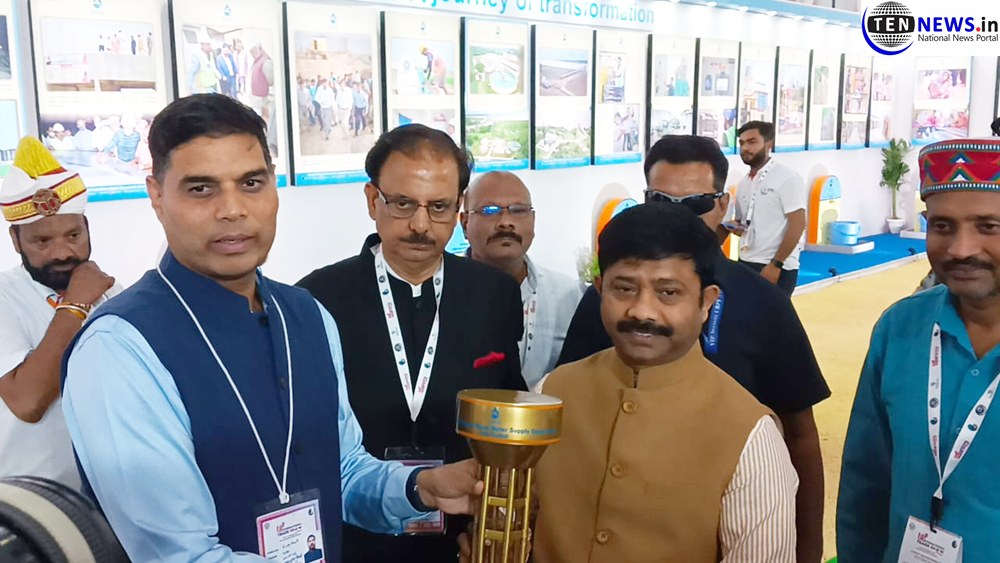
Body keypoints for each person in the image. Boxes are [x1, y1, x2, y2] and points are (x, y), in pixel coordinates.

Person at [61, 95, 483, 562]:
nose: (232, 210)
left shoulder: (307, 315)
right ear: (157, 196)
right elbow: (179, 555)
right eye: (201, 189)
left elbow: (343, 471)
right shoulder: (119, 349)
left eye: (251, 183)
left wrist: (421, 487)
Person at [463, 202, 798, 561]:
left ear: (707, 302)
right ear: (599, 289)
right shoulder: (551, 392)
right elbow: (511, 522)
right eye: (624, 289)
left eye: (668, 292)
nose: (641, 310)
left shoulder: (750, 435)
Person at [557, 135, 830, 561]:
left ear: (722, 204)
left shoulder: (765, 309)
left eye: (669, 292)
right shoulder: (564, 372)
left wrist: (808, 548)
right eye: (661, 200)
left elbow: (800, 432)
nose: (642, 310)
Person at [297, 124, 526, 562]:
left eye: (438, 207)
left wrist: (494, 526)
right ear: (372, 200)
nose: (421, 225)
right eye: (402, 204)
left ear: (458, 208)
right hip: (355, 536)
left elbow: (507, 407)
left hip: (460, 532)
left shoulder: (493, 293)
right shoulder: (316, 299)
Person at [837, 138, 1000, 562]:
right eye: (942, 226)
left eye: (989, 227)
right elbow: (865, 481)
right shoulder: (900, 327)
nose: (961, 249)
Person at [0, 137, 117, 489]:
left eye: (73, 235)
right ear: (16, 241)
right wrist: (75, 305)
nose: (62, 253)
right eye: (42, 241)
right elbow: (27, 401)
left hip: (105, 496)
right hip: (30, 503)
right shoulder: (5, 296)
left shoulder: (110, 292)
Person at [461, 171, 583, 389]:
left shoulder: (571, 296)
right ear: (464, 223)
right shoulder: (442, 292)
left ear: (533, 221)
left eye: (518, 210)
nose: (506, 223)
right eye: (489, 211)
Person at [727, 121, 807, 295]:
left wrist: (776, 264)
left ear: (769, 143)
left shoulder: (787, 178)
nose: (745, 148)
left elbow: (798, 223)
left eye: (752, 142)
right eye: (742, 143)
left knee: (772, 313)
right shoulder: (744, 183)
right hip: (746, 261)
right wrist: (731, 225)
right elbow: (743, 225)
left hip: (777, 266)